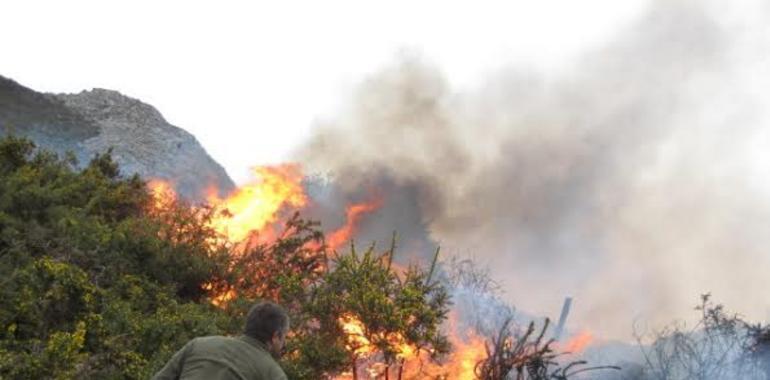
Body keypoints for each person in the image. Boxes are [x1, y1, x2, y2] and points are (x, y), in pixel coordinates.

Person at [152, 301, 289, 380]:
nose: (284, 344)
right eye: (284, 338)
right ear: (275, 336)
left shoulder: (199, 344)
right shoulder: (273, 374)